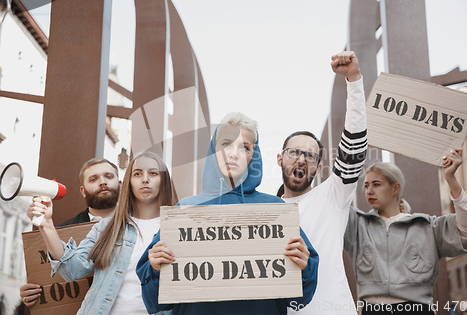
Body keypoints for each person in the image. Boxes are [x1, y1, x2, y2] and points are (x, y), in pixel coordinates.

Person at [136, 112, 319, 315]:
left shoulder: (275, 209)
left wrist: (304, 267)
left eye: (245, 147)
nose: (233, 153)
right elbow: (155, 303)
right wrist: (154, 268)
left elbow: (300, 298)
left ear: (253, 156)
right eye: (226, 144)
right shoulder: (184, 211)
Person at [27, 151, 175, 315]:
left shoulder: (178, 229)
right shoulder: (107, 227)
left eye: (153, 173)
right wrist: (46, 224)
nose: (145, 179)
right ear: (128, 183)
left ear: (164, 181)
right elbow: (72, 269)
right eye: (137, 174)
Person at [278, 51, 367, 314]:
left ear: (319, 167)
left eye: (310, 156)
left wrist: (354, 79)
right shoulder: (265, 211)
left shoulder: (333, 196)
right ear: (279, 159)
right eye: (294, 153)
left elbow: (354, 145)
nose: (301, 160)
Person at [344, 150, 467, 314]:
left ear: (395, 188)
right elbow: (332, 202)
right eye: (366, 185)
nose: (369, 190)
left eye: (376, 184)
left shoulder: (426, 226)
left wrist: (451, 178)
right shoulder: (357, 225)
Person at [20, 157, 120, 308]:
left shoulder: (138, 227)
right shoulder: (58, 234)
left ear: (120, 184)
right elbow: (48, 278)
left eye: (109, 176)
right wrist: (30, 292)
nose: (102, 182)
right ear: (83, 191)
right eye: (93, 179)